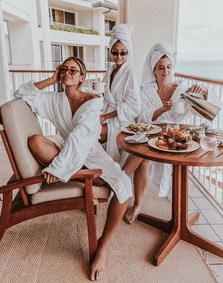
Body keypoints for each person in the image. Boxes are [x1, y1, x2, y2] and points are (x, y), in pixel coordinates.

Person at [14, 57, 132, 281]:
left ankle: (103, 247)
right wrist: (51, 79)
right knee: (36, 141)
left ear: (82, 76)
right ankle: (77, 174)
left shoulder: (93, 102)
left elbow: (79, 137)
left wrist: (57, 167)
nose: (68, 73)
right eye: (64, 69)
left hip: (89, 152)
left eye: (73, 70)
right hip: (66, 149)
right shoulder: (55, 100)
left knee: (123, 185)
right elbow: (22, 93)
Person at [124, 42, 219, 224]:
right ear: (154, 70)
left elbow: (210, 111)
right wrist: (160, 110)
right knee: (143, 159)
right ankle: (137, 205)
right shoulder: (147, 91)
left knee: (179, 164)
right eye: (161, 68)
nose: (165, 71)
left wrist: (204, 90)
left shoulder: (182, 90)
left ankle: (118, 179)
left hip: (177, 136)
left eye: (168, 67)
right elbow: (142, 117)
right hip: (153, 134)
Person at [100, 24, 141, 164]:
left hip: (121, 121)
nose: (118, 56)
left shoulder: (130, 72)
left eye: (123, 53)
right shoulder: (111, 70)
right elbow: (104, 95)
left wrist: (105, 116)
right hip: (106, 116)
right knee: (82, 127)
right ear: (110, 51)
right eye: (115, 52)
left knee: (91, 133)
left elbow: (133, 105)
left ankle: (100, 170)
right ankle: (93, 167)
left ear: (128, 52)